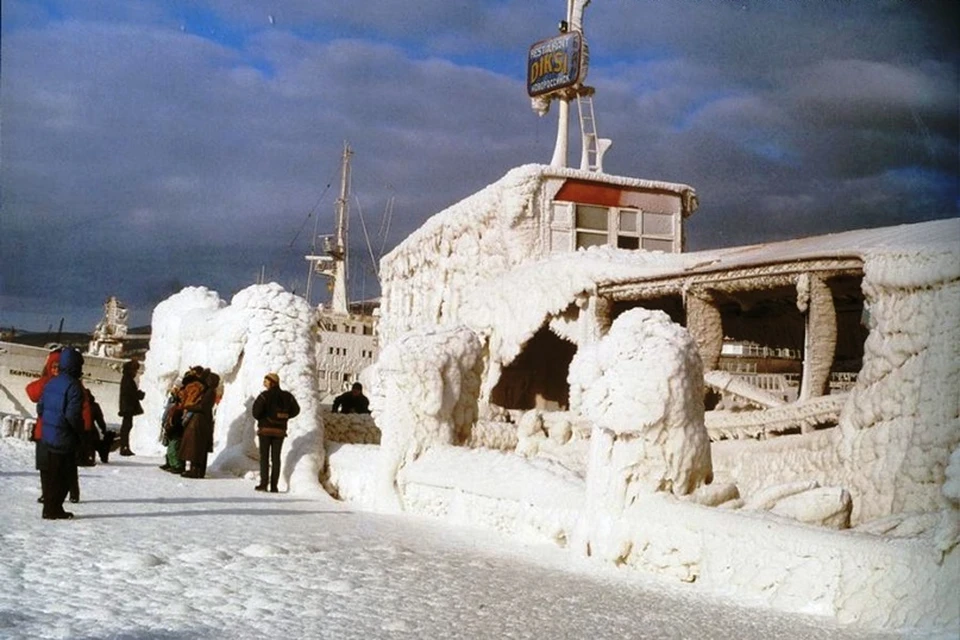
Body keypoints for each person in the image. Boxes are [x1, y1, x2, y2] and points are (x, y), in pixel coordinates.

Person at [37, 346, 85, 520]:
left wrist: (50, 422)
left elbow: (40, 407)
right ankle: (53, 509)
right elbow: (72, 415)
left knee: (51, 474)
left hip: (48, 434)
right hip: (64, 436)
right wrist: (79, 432)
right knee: (64, 476)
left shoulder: (52, 382)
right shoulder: (74, 386)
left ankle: (49, 507)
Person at [251, 372, 300, 493]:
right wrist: (285, 417)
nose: (264, 383)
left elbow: (255, 413)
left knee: (264, 457)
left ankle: (263, 484)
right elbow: (296, 410)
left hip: (265, 430)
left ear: (272, 382)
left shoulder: (264, 396)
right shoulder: (287, 396)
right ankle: (274, 486)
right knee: (276, 458)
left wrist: (264, 418)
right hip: (280, 431)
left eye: (266, 380)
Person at [25, 348, 62, 504]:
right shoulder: (45, 383)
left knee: (57, 466)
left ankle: (54, 493)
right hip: (43, 431)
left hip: (60, 431)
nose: (55, 370)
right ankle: (46, 492)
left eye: (58, 367)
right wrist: (46, 380)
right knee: (44, 465)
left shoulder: (68, 383)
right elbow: (32, 392)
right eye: (53, 367)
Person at [179, 368, 219, 479]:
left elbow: (203, 407)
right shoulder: (208, 391)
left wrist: (189, 406)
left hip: (200, 420)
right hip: (201, 420)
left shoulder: (210, 392)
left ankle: (195, 471)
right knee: (197, 447)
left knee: (197, 447)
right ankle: (196, 470)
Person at [118, 359, 145, 456]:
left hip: (127, 406)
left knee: (126, 426)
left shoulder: (126, 378)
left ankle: (125, 447)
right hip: (128, 407)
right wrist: (139, 394)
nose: (136, 373)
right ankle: (124, 447)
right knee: (126, 427)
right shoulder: (128, 379)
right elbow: (130, 393)